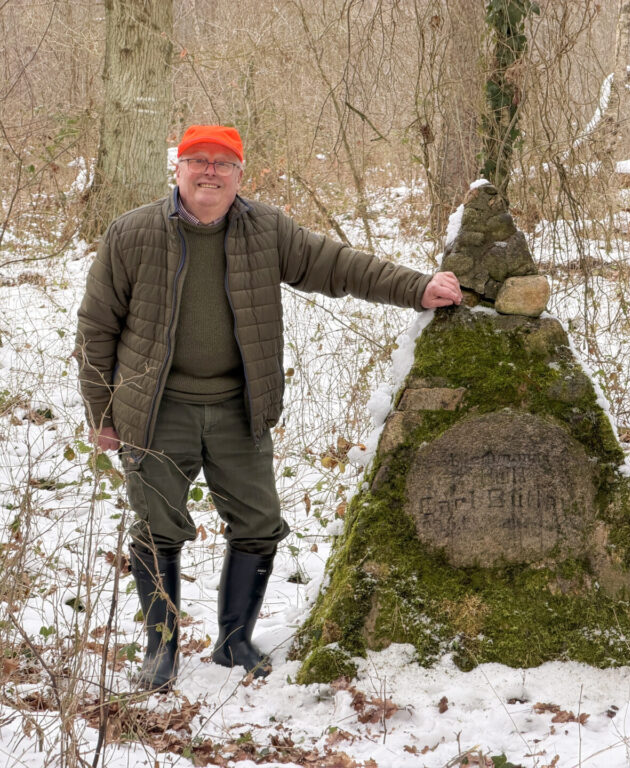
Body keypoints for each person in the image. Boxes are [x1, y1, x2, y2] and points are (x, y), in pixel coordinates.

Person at [75, 125, 462, 691]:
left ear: (240, 175)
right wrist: (100, 412)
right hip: (156, 411)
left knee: (257, 523)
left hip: (239, 408)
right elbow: (96, 327)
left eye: (222, 164)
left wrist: (417, 287)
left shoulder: (266, 230)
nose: (209, 171)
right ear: (177, 170)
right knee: (157, 527)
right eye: (198, 161)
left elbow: (341, 267)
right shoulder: (131, 234)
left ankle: (235, 640)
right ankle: (160, 651)